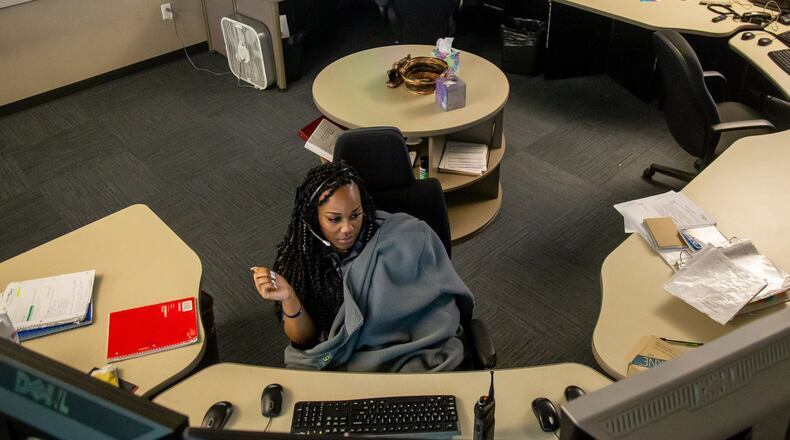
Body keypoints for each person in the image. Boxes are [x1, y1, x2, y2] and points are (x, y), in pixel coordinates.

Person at [252, 163, 474, 372]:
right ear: (314, 217)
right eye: (334, 219)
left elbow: (440, 309)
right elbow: (305, 340)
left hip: (415, 352)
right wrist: (289, 298)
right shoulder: (303, 261)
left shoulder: (410, 235)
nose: (347, 228)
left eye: (355, 215)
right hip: (352, 361)